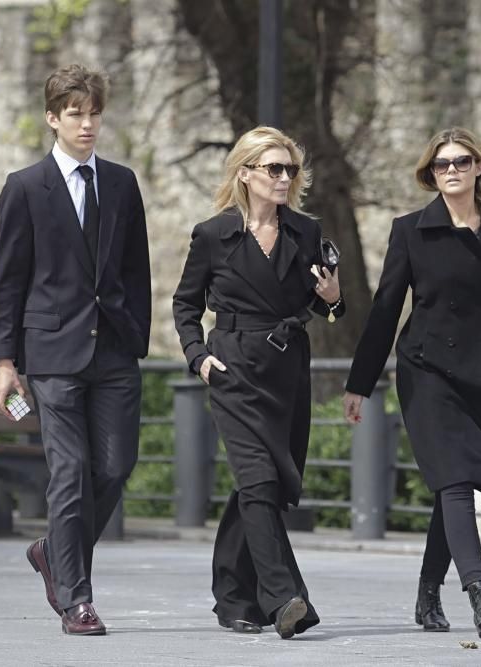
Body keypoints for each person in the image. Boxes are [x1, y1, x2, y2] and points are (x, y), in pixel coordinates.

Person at [343, 127, 481, 638]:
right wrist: (359, 383)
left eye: (460, 161)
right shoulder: (410, 230)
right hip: (427, 370)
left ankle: (428, 592)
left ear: (478, 168)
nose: (450, 170)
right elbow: (386, 310)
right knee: (455, 478)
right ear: (430, 174)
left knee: (453, 486)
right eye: (440, 165)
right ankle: (478, 591)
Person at [0, 64, 151, 636]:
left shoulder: (124, 183)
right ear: (52, 118)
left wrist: (136, 334)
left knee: (115, 465)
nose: (87, 123)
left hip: (114, 353)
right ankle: (77, 599)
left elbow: (137, 270)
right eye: (75, 113)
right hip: (51, 354)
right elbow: (8, 278)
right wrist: (6, 362)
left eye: (94, 112)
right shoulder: (26, 187)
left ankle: (53, 551)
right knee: (71, 470)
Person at [172, 126, 343, 639]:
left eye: (290, 169)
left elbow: (320, 305)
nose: (284, 178)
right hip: (233, 369)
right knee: (259, 480)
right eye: (274, 169)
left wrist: (332, 297)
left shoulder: (306, 231)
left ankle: (231, 594)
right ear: (245, 174)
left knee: (265, 483)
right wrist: (198, 357)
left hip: (287, 369)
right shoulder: (213, 234)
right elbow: (185, 305)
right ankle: (284, 598)